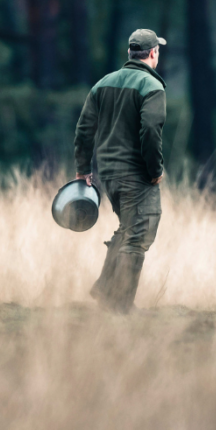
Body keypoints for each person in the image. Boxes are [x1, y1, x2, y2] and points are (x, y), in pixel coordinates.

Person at [73, 29, 167, 313]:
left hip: (108, 175)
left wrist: (82, 170)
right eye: (157, 51)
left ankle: (105, 289)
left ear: (129, 53)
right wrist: (155, 170)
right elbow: (150, 130)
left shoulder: (102, 84)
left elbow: (84, 129)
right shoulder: (152, 86)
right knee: (138, 233)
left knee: (127, 228)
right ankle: (120, 304)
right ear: (152, 54)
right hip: (137, 174)